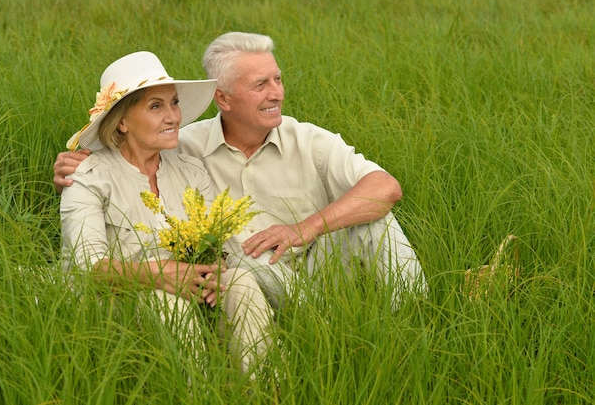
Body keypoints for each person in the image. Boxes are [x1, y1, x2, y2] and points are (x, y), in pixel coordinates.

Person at [55, 33, 426, 310]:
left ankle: (415, 313)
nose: (277, 93)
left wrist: (303, 229)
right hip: (242, 270)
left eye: (278, 79)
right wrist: (75, 164)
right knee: (242, 259)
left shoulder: (309, 139)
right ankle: (316, 329)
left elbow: (386, 187)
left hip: (316, 265)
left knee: (376, 217)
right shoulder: (183, 145)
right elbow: (131, 144)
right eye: (260, 84)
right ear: (224, 98)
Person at [60, 51, 272, 375]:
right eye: (155, 106)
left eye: (174, 103)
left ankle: (267, 385)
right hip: (119, 299)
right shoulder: (89, 177)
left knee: (238, 281)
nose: (173, 116)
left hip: (188, 284)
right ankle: (196, 391)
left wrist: (214, 267)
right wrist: (156, 274)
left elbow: (217, 241)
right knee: (166, 302)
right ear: (122, 121)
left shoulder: (189, 170)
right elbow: (87, 267)